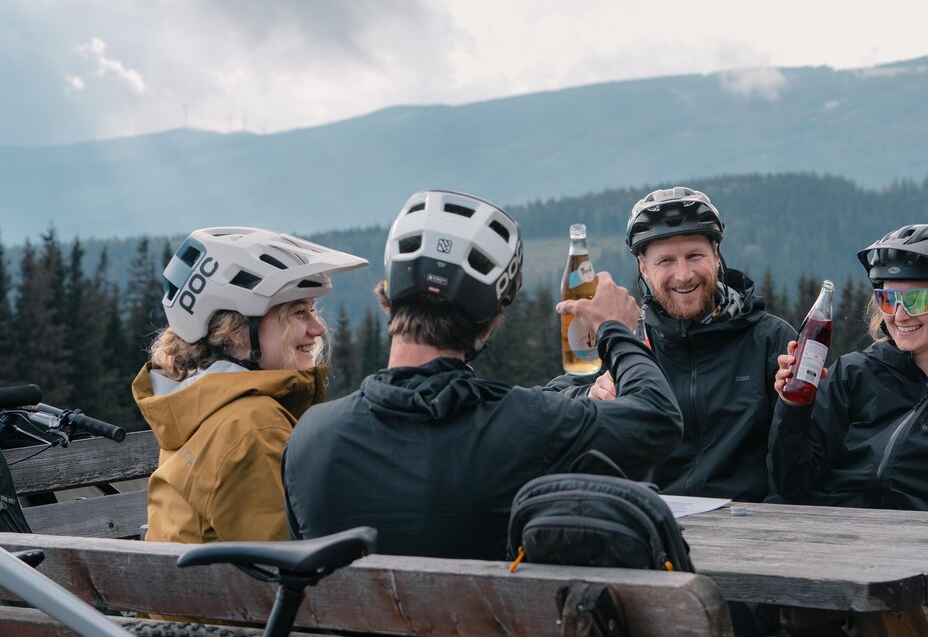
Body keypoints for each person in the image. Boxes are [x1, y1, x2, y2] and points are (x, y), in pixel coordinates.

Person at [281, 189, 683, 560]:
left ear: (389, 298)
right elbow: (658, 418)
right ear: (490, 320)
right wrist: (616, 328)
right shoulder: (524, 425)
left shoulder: (311, 438)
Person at [769, 222, 928, 637]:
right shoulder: (854, 374)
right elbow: (792, 483)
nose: (899, 315)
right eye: (887, 297)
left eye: (917, 298)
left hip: (921, 588)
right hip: (834, 567)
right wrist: (793, 408)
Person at [558, 187, 795, 502]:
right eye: (666, 261)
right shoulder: (626, 341)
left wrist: (796, 408)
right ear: (644, 269)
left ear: (716, 255)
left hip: (753, 529)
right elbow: (552, 405)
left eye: (694, 256)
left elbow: (802, 466)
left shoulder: (771, 340)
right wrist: (588, 394)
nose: (683, 275)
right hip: (654, 524)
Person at [135, 226, 368, 544]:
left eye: (312, 310)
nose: (318, 328)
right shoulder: (250, 427)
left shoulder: (198, 405)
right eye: (299, 313)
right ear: (238, 331)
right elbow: (287, 563)